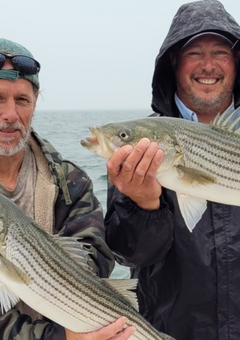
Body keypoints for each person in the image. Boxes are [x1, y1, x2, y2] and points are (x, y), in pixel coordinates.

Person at [104, 1, 240, 340]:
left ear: (237, 61)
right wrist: (144, 206)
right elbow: (130, 253)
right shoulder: (144, 148)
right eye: (194, 53)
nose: (208, 65)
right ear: (174, 61)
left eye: (220, 52)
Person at [0, 38, 135, 340]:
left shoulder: (70, 181)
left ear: (35, 103)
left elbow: (95, 258)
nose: (10, 114)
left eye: (22, 100)